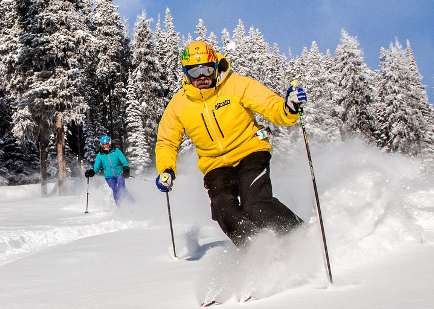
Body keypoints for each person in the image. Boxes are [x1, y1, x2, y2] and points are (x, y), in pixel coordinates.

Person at [154, 40, 307, 246]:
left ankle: (300, 235)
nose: (201, 77)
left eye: (207, 70)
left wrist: (288, 108)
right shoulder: (179, 104)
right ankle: (255, 250)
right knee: (223, 208)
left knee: (254, 204)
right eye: (194, 72)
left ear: (215, 65)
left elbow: (270, 106)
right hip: (215, 165)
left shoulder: (236, 85)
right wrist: (166, 168)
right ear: (185, 72)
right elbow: (166, 142)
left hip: (250, 151)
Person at [88, 136, 133, 205]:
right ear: (101, 145)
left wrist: (126, 169)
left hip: (119, 173)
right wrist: (92, 172)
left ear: (110, 143)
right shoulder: (100, 155)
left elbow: (124, 161)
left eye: (107, 144)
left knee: (122, 188)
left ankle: (132, 203)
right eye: (103, 145)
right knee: (116, 190)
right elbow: (96, 167)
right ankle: (121, 207)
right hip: (109, 176)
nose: (105, 146)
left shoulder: (116, 151)